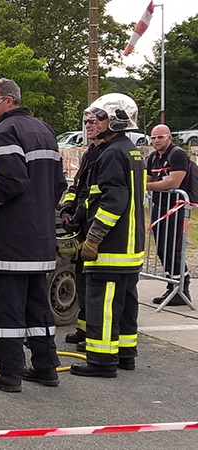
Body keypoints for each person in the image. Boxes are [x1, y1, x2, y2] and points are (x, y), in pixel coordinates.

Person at [0, 78, 66, 392]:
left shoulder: (4, 132)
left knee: (9, 309)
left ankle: (9, 372)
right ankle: (46, 366)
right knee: (37, 306)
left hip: (11, 238)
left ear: (8, 100)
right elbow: (58, 185)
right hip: (40, 238)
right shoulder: (45, 130)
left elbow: (12, 181)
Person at [70, 93, 145, 378]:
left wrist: (94, 238)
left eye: (97, 118)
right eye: (88, 118)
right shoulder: (129, 150)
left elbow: (114, 201)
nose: (89, 123)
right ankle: (125, 354)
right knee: (125, 303)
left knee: (103, 304)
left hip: (111, 246)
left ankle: (101, 361)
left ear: (115, 121)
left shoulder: (112, 153)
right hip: (129, 246)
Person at [59, 126, 103, 348]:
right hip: (82, 224)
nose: (89, 126)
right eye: (87, 122)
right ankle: (84, 329)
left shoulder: (104, 154)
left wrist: (77, 215)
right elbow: (76, 186)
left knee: (94, 285)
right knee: (82, 279)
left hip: (93, 225)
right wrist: (67, 207)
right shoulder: (89, 153)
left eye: (95, 122)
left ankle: (93, 334)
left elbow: (95, 196)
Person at [146, 124, 192, 306]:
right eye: (153, 138)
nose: (156, 141)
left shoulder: (177, 154)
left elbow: (174, 182)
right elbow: (147, 178)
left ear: (169, 137)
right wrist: (146, 183)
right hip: (159, 208)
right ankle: (171, 287)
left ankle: (181, 288)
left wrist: (145, 186)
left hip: (177, 208)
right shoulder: (152, 158)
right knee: (162, 249)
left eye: (160, 137)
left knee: (174, 250)